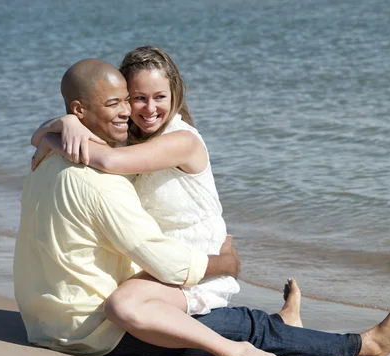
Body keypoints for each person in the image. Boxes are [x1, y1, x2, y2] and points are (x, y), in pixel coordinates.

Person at [15, 58, 390, 356]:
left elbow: (88, 147)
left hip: (45, 327)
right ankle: (362, 345)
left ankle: (285, 324)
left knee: (175, 319)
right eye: (119, 102)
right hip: (95, 333)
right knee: (241, 326)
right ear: (82, 109)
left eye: (128, 100)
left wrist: (57, 128)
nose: (129, 111)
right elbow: (170, 265)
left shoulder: (45, 161)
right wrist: (226, 263)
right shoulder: (99, 179)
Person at [31, 46, 242, 318]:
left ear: (174, 95)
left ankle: (277, 324)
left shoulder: (183, 141)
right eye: (139, 98)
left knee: (130, 316)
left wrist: (53, 138)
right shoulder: (128, 135)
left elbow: (109, 162)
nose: (150, 108)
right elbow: (35, 137)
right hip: (154, 261)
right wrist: (67, 122)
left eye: (160, 97)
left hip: (198, 268)